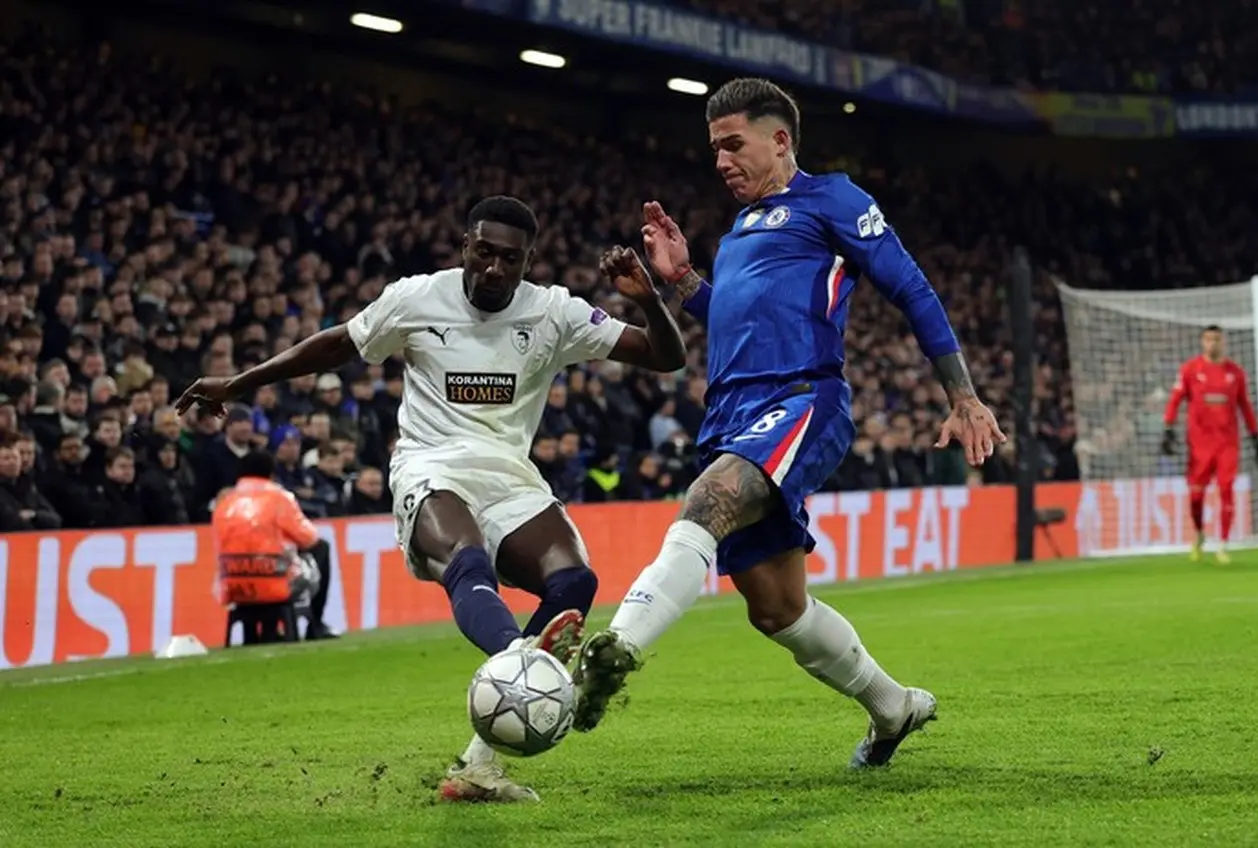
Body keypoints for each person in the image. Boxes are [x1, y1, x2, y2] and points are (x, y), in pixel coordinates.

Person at [177, 195, 686, 802]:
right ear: (465, 246)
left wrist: (648, 300)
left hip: (508, 475)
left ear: (528, 262)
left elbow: (667, 357)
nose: (494, 268)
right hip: (430, 463)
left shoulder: (553, 311)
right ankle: (523, 664)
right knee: (467, 562)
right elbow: (335, 345)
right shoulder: (417, 298)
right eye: (484, 252)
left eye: (510, 259)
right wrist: (238, 383)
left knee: (574, 583)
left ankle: (478, 766)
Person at [572, 78, 1005, 769]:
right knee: (776, 608)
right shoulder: (739, 232)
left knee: (708, 500)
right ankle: (893, 707)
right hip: (732, 415)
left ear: (779, 140)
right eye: (714, 149)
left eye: (732, 144)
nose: (721, 161)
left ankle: (614, 650)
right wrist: (681, 281)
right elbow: (733, 319)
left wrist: (963, 395)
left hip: (803, 397)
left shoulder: (834, 198)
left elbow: (911, 286)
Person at [1161, 325, 1258, 565]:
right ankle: (1199, 534)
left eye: (1216, 339)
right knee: (1196, 496)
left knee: (1227, 489)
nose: (1212, 344)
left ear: (1223, 342)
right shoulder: (1190, 369)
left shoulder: (1235, 373)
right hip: (1199, 446)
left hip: (1227, 444)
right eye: (1208, 339)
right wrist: (1168, 429)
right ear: (1202, 342)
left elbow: (1245, 406)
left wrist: (1255, 438)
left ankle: (1223, 545)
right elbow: (1175, 400)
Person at [211, 451, 337, 640]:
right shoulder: (279, 498)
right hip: (273, 582)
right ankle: (315, 625)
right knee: (321, 548)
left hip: (232, 584)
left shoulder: (224, 501)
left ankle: (256, 632)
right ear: (271, 473)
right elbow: (309, 538)